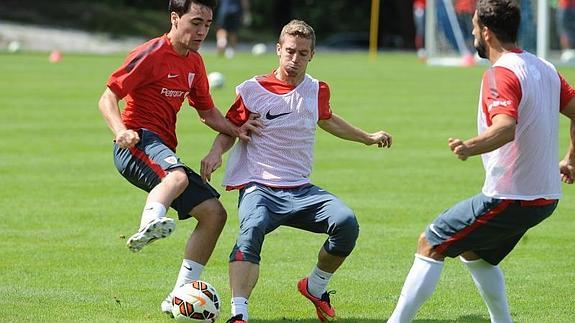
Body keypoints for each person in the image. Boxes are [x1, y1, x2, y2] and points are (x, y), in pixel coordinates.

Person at [388, 0, 575, 322]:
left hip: (511, 196)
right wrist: (570, 159)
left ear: (486, 33)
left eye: (474, 26)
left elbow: (505, 128)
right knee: (476, 254)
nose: (472, 32)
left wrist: (469, 147)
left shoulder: (500, 75)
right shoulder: (545, 67)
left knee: (430, 242)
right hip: (545, 197)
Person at [200, 19, 393, 323]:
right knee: (251, 230)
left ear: (312, 55)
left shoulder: (316, 90)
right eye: (289, 51)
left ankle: (316, 286)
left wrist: (366, 137)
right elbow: (229, 127)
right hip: (259, 187)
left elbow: (327, 119)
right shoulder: (253, 89)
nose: (294, 59)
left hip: (300, 189)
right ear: (278, 50)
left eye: (302, 53)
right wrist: (215, 153)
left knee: (346, 222)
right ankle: (239, 314)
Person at [97, 0, 259, 315]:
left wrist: (236, 129)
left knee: (214, 214)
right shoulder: (151, 54)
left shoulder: (195, 63)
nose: (202, 31)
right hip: (137, 141)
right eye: (195, 22)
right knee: (178, 177)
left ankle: (176, 297)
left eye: (208, 24)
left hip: (162, 148)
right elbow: (108, 96)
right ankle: (148, 224)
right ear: (175, 18)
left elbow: (207, 112)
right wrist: (121, 131)